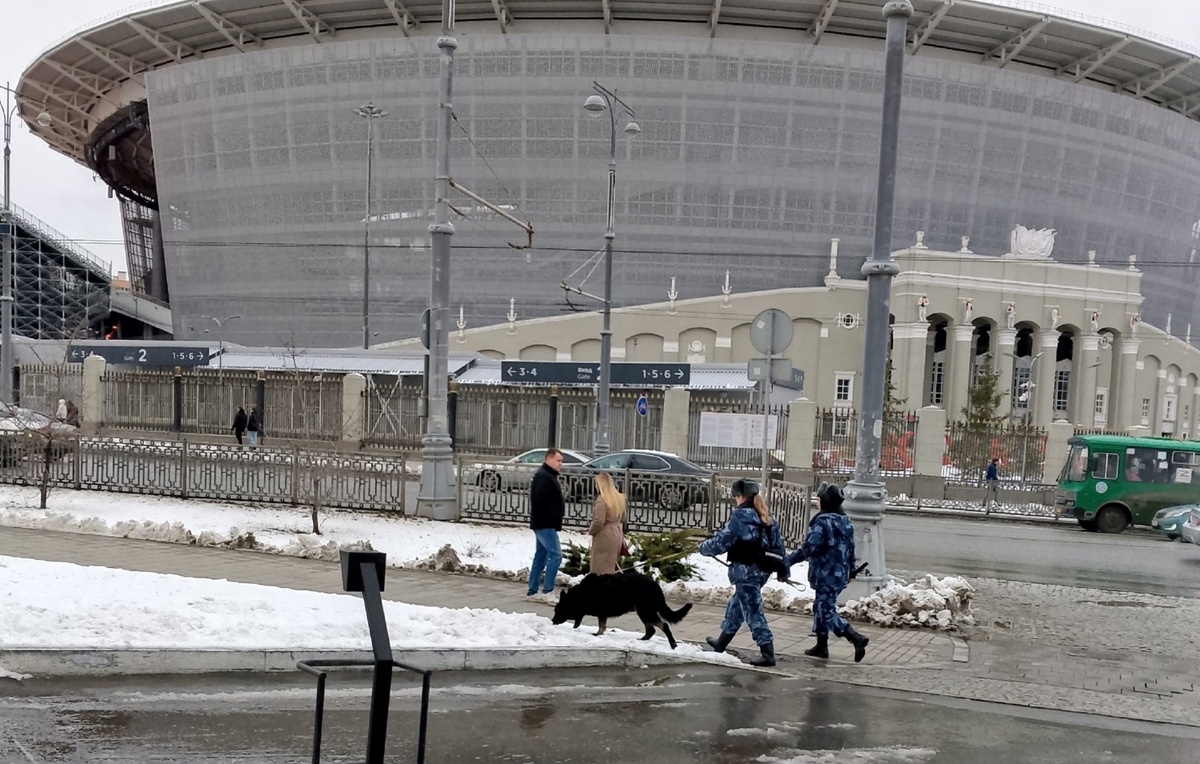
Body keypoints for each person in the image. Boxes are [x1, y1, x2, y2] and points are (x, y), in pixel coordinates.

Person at [700, 478, 785, 668]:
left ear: (739, 496)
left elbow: (721, 542)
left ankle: (767, 652)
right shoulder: (767, 515)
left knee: (752, 611)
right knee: (737, 605)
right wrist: (783, 570)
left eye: (735, 497)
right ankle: (721, 642)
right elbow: (779, 546)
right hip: (763, 570)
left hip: (745, 572)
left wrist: (703, 548)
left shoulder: (740, 517)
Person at [783, 482, 869, 662]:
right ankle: (821, 646)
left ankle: (855, 637)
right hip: (840, 574)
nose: (817, 501)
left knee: (825, 611)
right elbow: (851, 548)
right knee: (821, 607)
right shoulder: (845, 520)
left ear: (825, 501)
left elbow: (809, 548)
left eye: (819, 498)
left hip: (825, 574)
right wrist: (851, 570)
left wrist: (788, 561)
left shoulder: (822, 522)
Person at [526, 447, 565, 604]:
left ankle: (532, 591)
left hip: (543, 522)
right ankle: (548, 591)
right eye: (558, 460)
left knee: (541, 555)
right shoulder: (544, 476)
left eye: (561, 461)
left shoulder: (547, 475)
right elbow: (540, 501)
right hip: (545, 523)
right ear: (548, 459)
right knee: (556, 555)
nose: (560, 464)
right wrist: (553, 516)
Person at [588, 471, 626, 574]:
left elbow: (599, 521)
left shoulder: (602, 500)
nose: (595, 486)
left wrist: (591, 531)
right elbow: (623, 517)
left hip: (604, 535)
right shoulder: (619, 498)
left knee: (599, 567)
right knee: (611, 566)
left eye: (596, 483)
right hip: (617, 533)